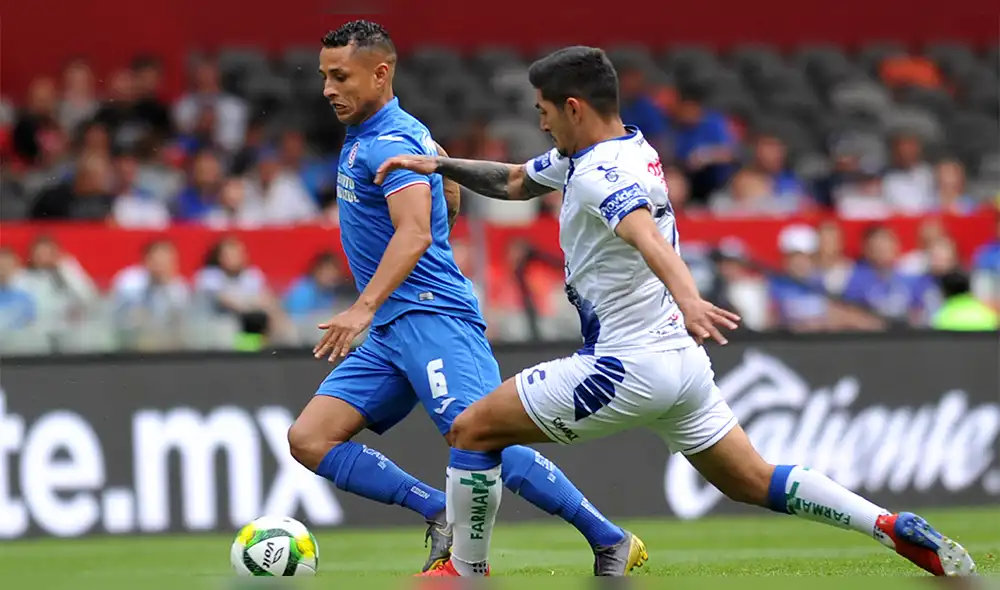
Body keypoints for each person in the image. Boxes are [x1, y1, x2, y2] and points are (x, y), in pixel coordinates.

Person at [377, 46, 977, 579]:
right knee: (752, 478)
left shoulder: (597, 174)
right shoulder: (624, 149)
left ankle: (465, 571)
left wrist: (689, 298)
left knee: (471, 430)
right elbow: (513, 182)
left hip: (625, 365)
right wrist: (440, 165)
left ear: (574, 107)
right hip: (680, 369)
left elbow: (645, 235)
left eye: (544, 109)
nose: (538, 119)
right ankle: (889, 525)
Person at [286, 21, 640, 577]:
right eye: (325, 76)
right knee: (309, 438)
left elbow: (414, 234)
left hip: (430, 315)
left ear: (380, 74)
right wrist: (444, 203)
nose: (328, 88)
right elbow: (443, 180)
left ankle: (609, 538)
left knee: (480, 433)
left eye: (340, 76)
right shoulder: (389, 132)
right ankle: (437, 512)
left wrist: (364, 307)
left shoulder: (388, 139)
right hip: (392, 330)